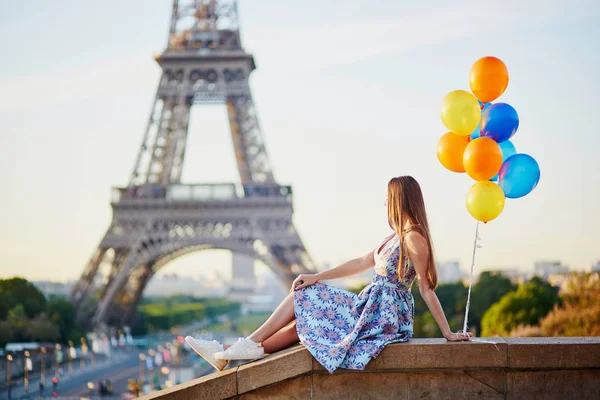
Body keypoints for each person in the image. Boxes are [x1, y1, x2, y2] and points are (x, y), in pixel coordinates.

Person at [186, 176, 473, 373]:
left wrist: (447, 333)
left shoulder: (414, 239)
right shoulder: (395, 237)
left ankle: (245, 343)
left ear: (400, 200)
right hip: (369, 306)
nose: (385, 203)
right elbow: (360, 261)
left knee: (302, 297)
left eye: (388, 198)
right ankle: (229, 352)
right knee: (302, 319)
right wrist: (317, 275)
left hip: (382, 316)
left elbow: (425, 288)